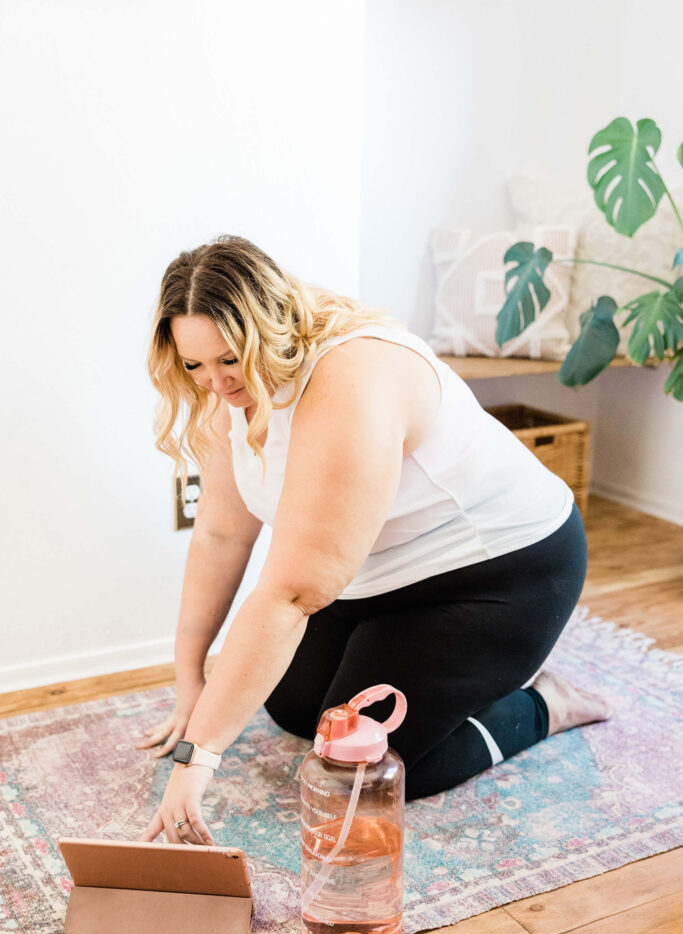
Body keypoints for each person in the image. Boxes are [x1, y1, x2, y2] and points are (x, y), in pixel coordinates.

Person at [138, 234, 610, 846]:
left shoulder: (351, 378)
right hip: (377, 571)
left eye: (230, 359)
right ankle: (449, 674)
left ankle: (543, 704)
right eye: (194, 364)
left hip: (499, 572)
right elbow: (223, 534)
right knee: (290, 706)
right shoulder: (219, 392)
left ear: (268, 331)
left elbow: (289, 595)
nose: (214, 382)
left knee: (353, 771)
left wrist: (197, 759)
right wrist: (189, 681)